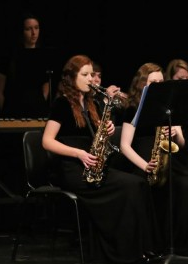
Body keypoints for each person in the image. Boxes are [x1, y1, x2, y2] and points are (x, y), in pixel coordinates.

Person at [41, 54, 159, 264]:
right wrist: (78, 153)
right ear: (71, 77)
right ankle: (120, 252)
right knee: (126, 189)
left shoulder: (91, 103)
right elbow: (47, 141)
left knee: (137, 184)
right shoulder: (62, 103)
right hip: (72, 169)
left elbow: (97, 139)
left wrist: (108, 130)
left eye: (92, 75)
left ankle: (140, 249)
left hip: (92, 165)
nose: (91, 80)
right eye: (85, 75)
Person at [120, 62, 188, 257]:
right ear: (142, 84)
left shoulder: (169, 106)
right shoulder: (133, 108)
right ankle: (157, 246)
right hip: (143, 162)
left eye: (161, 81)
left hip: (167, 161)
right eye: (153, 82)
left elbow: (180, 143)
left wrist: (175, 134)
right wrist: (145, 165)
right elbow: (124, 146)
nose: (159, 86)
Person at [0, 12, 50, 118]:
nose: (34, 33)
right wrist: (7, 112)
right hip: (14, 112)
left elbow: (46, 83)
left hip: (38, 112)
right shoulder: (9, 56)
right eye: (29, 29)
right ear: (22, 31)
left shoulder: (44, 56)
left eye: (36, 28)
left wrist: (40, 102)